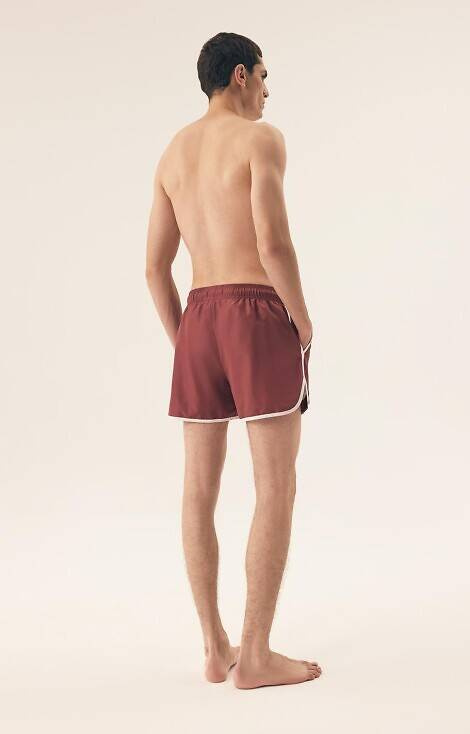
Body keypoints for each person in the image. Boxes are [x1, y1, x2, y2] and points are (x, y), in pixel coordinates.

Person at [145, 31, 322, 689]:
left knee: (199, 489)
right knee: (276, 483)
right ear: (241, 75)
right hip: (254, 312)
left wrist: (186, 341)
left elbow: (154, 267)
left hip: (199, 317)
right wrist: (302, 322)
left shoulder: (173, 152)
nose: (269, 93)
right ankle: (257, 655)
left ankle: (215, 647)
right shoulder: (260, 139)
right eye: (265, 78)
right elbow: (273, 244)